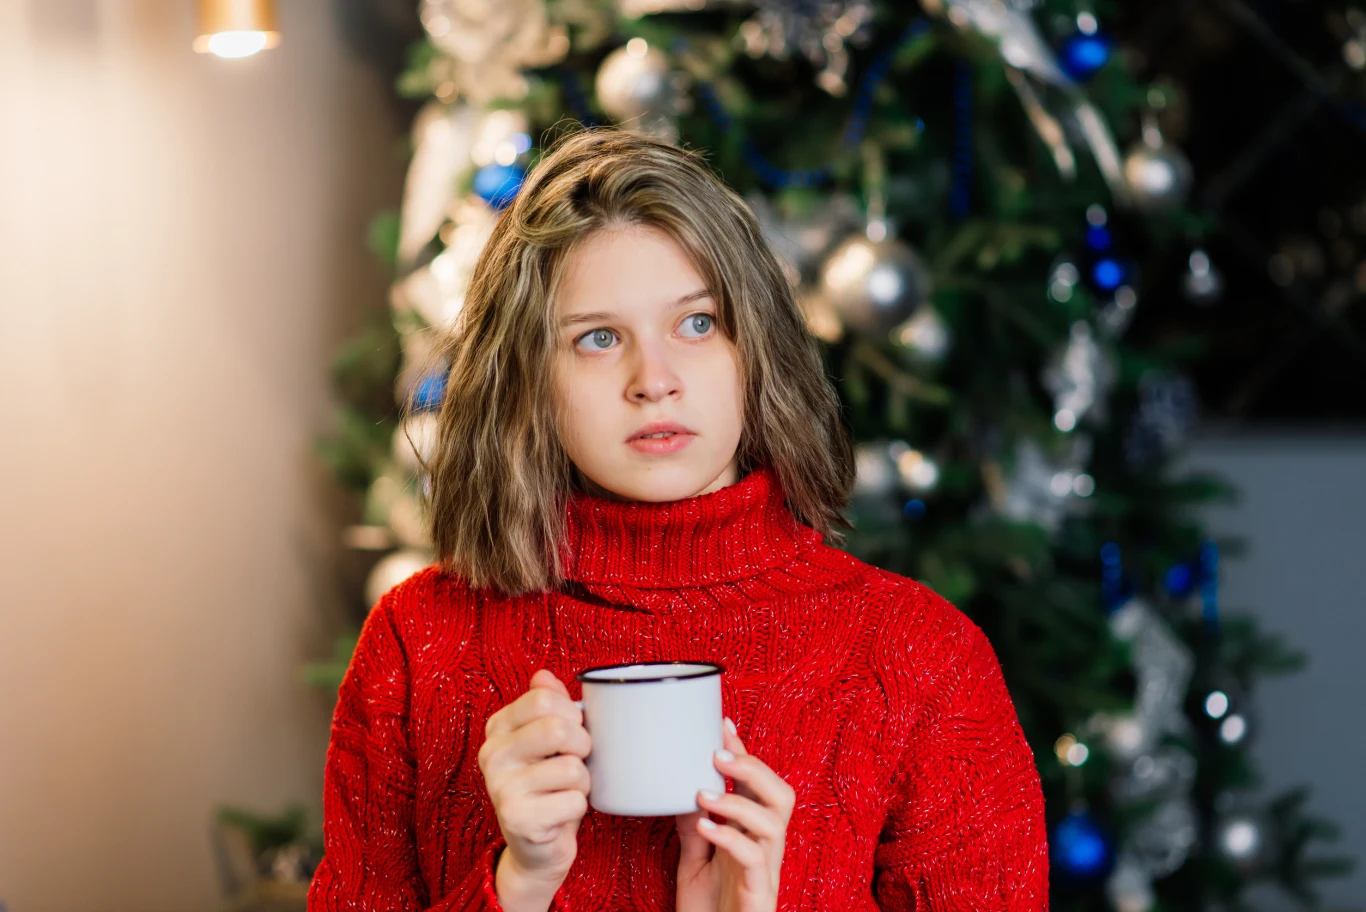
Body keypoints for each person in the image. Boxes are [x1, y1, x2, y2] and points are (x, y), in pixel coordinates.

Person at [306, 125, 1048, 912]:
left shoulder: (922, 661)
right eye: (596, 339)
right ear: (528, 381)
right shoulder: (419, 646)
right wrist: (514, 888)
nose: (653, 380)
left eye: (697, 324)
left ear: (752, 348)